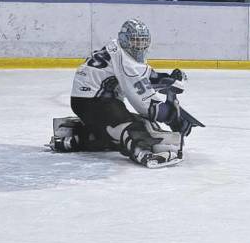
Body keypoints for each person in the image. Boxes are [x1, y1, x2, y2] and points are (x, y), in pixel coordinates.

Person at [50, 19, 196, 168]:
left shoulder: (116, 48)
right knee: (134, 126)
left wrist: (169, 79)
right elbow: (144, 104)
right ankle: (143, 153)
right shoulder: (126, 61)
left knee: (113, 133)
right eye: (136, 41)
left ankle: (71, 140)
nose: (140, 46)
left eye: (143, 41)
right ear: (125, 40)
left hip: (87, 99)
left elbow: (142, 77)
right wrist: (172, 117)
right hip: (96, 101)